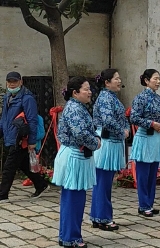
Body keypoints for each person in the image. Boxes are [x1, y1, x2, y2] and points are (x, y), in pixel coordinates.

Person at [52, 76, 101, 247]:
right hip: (74, 156)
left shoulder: (78, 107)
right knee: (73, 199)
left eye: (89, 89)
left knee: (74, 198)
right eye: (86, 89)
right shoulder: (74, 109)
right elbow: (80, 133)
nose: (90, 92)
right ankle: (70, 237)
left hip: (77, 156)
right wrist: (96, 142)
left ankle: (67, 235)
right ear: (75, 92)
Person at [0, 71, 49, 203]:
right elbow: (4, 118)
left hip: (21, 138)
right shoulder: (7, 96)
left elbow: (32, 120)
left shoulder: (27, 98)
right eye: (10, 81)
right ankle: (41, 184)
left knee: (9, 167)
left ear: (20, 82)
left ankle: (2, 194)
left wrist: (32, 141)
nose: (12, 84)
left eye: (14, 81)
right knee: (23, 164)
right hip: (11, 135)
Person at [90, 69, 129, 231]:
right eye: (116, 78)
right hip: (106, 143)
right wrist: (123, 131)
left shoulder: (111, 97)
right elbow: (108, 120)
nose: (119, 81)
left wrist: (125, 128)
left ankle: (98, 216)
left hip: (111, 142)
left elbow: (122, 118)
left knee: (103, 183)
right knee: (103, 183)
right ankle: (103, 217)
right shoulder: (106, 98)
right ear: (107, 82)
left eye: (120, 78)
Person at [130, 69, 160, 217]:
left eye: (159, 79)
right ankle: (143, 204)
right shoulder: (140, 98)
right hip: (145, 137)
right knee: (143, 174)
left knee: (153, 173)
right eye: (155, 79)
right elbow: (134, 117)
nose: (158, 82)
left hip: (156, 138)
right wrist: (152, 123)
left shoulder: (159, 99)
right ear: (146, 81)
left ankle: (150, 204)